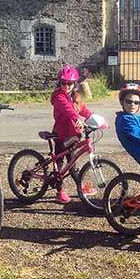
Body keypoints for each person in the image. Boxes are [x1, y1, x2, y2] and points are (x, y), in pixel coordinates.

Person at [50, 65, 97, 204]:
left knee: (72, 164)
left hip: (73, 135)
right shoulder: (59, 96)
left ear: (74, 84)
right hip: (61, 134)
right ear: (59, 83)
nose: (66, 86)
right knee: (60, 163)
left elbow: (82, 109)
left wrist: (96, 119)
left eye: (69, 83)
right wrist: (77, 119)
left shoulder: (75, 96)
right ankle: (60, 191)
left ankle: (80, 187)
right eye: (63, 83)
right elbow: (68, 110)